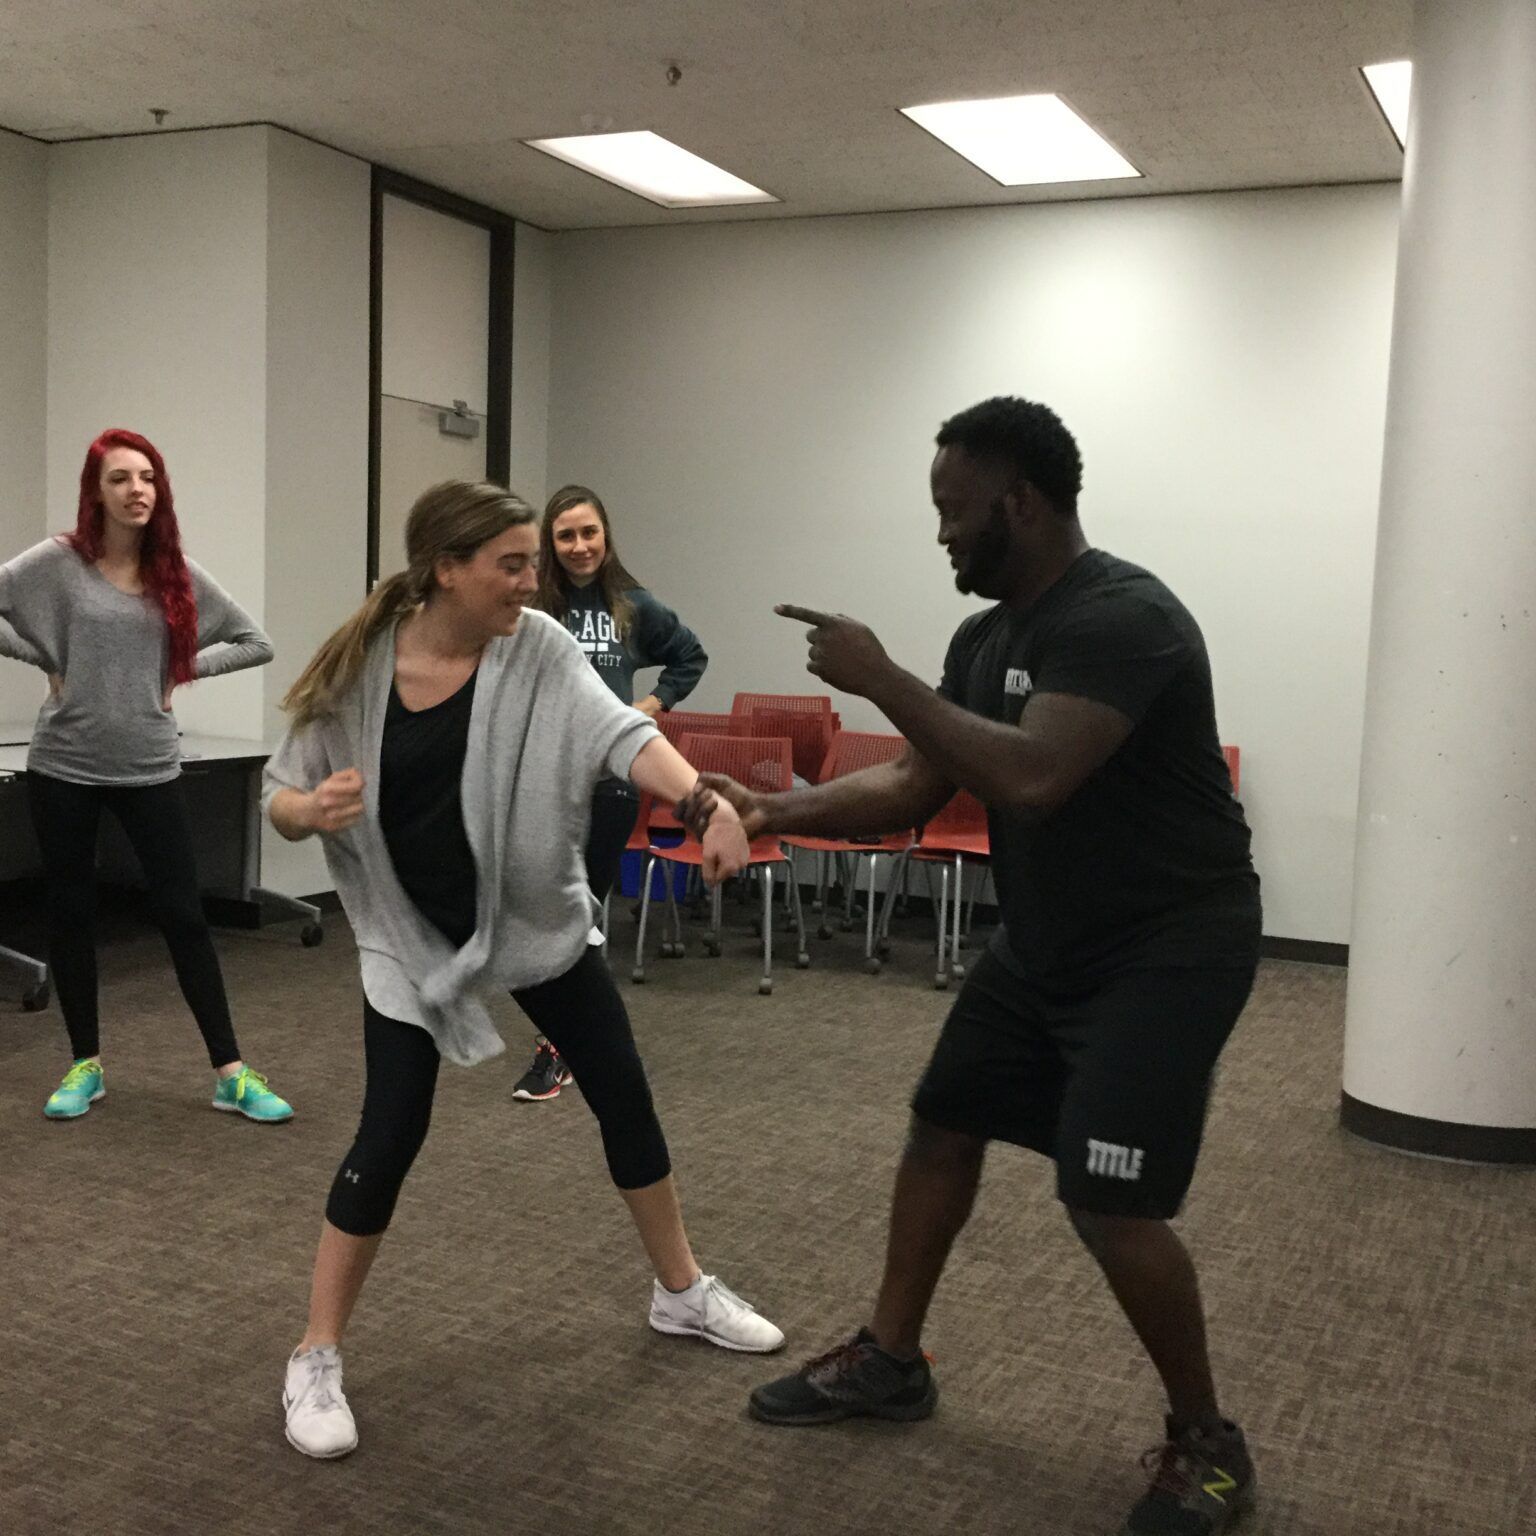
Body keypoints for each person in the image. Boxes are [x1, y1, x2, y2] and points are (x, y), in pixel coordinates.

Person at [682, 398, 1262, 1536]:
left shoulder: (1122, 617)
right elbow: (911, 787)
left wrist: (879, 676)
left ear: (1021, 504)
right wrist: (773, 809)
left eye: (954, 511)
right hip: (1045, 944)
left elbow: (1038, 776)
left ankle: (1209, 1441)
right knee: (943, 1123)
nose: (941, 534)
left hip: (1166, 951)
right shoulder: (985, 637)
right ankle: (893, 1361)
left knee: (1107, 1198)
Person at [265, 478, 783, 1461]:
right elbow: (282, 795)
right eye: (512, 563)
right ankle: (315, 1352)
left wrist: (704, 804)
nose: (531, 578)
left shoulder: (538, 648)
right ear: (447, 570)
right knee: (390, 1131)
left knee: (624, 1096)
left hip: (531, 918)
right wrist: (309, 812)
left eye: (534, 560)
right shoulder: (364, 664)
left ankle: (681, 1292)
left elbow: (622, 734)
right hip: (411, 937)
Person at [0, 428, 291, 1123]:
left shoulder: (177, 572)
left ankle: (230, 1071)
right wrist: (45, 657)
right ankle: (85, 1065)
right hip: (64, 764)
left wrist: (180, 670)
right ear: (94, 493)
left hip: (148, 766)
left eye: (148, 478)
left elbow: (257, 641)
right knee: (71, 913)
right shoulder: (59, 562)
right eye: (121, 479)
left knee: (184, 916)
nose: (138, 491)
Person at [511, 483, 708, 1103]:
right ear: (550, 541)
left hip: (611, 784)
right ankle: (579, 1033)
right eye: (565, 535)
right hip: (539, 776)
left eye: (588, 533)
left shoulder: (632, 605)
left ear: (605, 536)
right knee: (542, 904)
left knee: (582, 908)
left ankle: (560, 1046)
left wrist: (647, 709)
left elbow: (690, 656)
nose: (578, 546)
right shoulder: (529, 606)